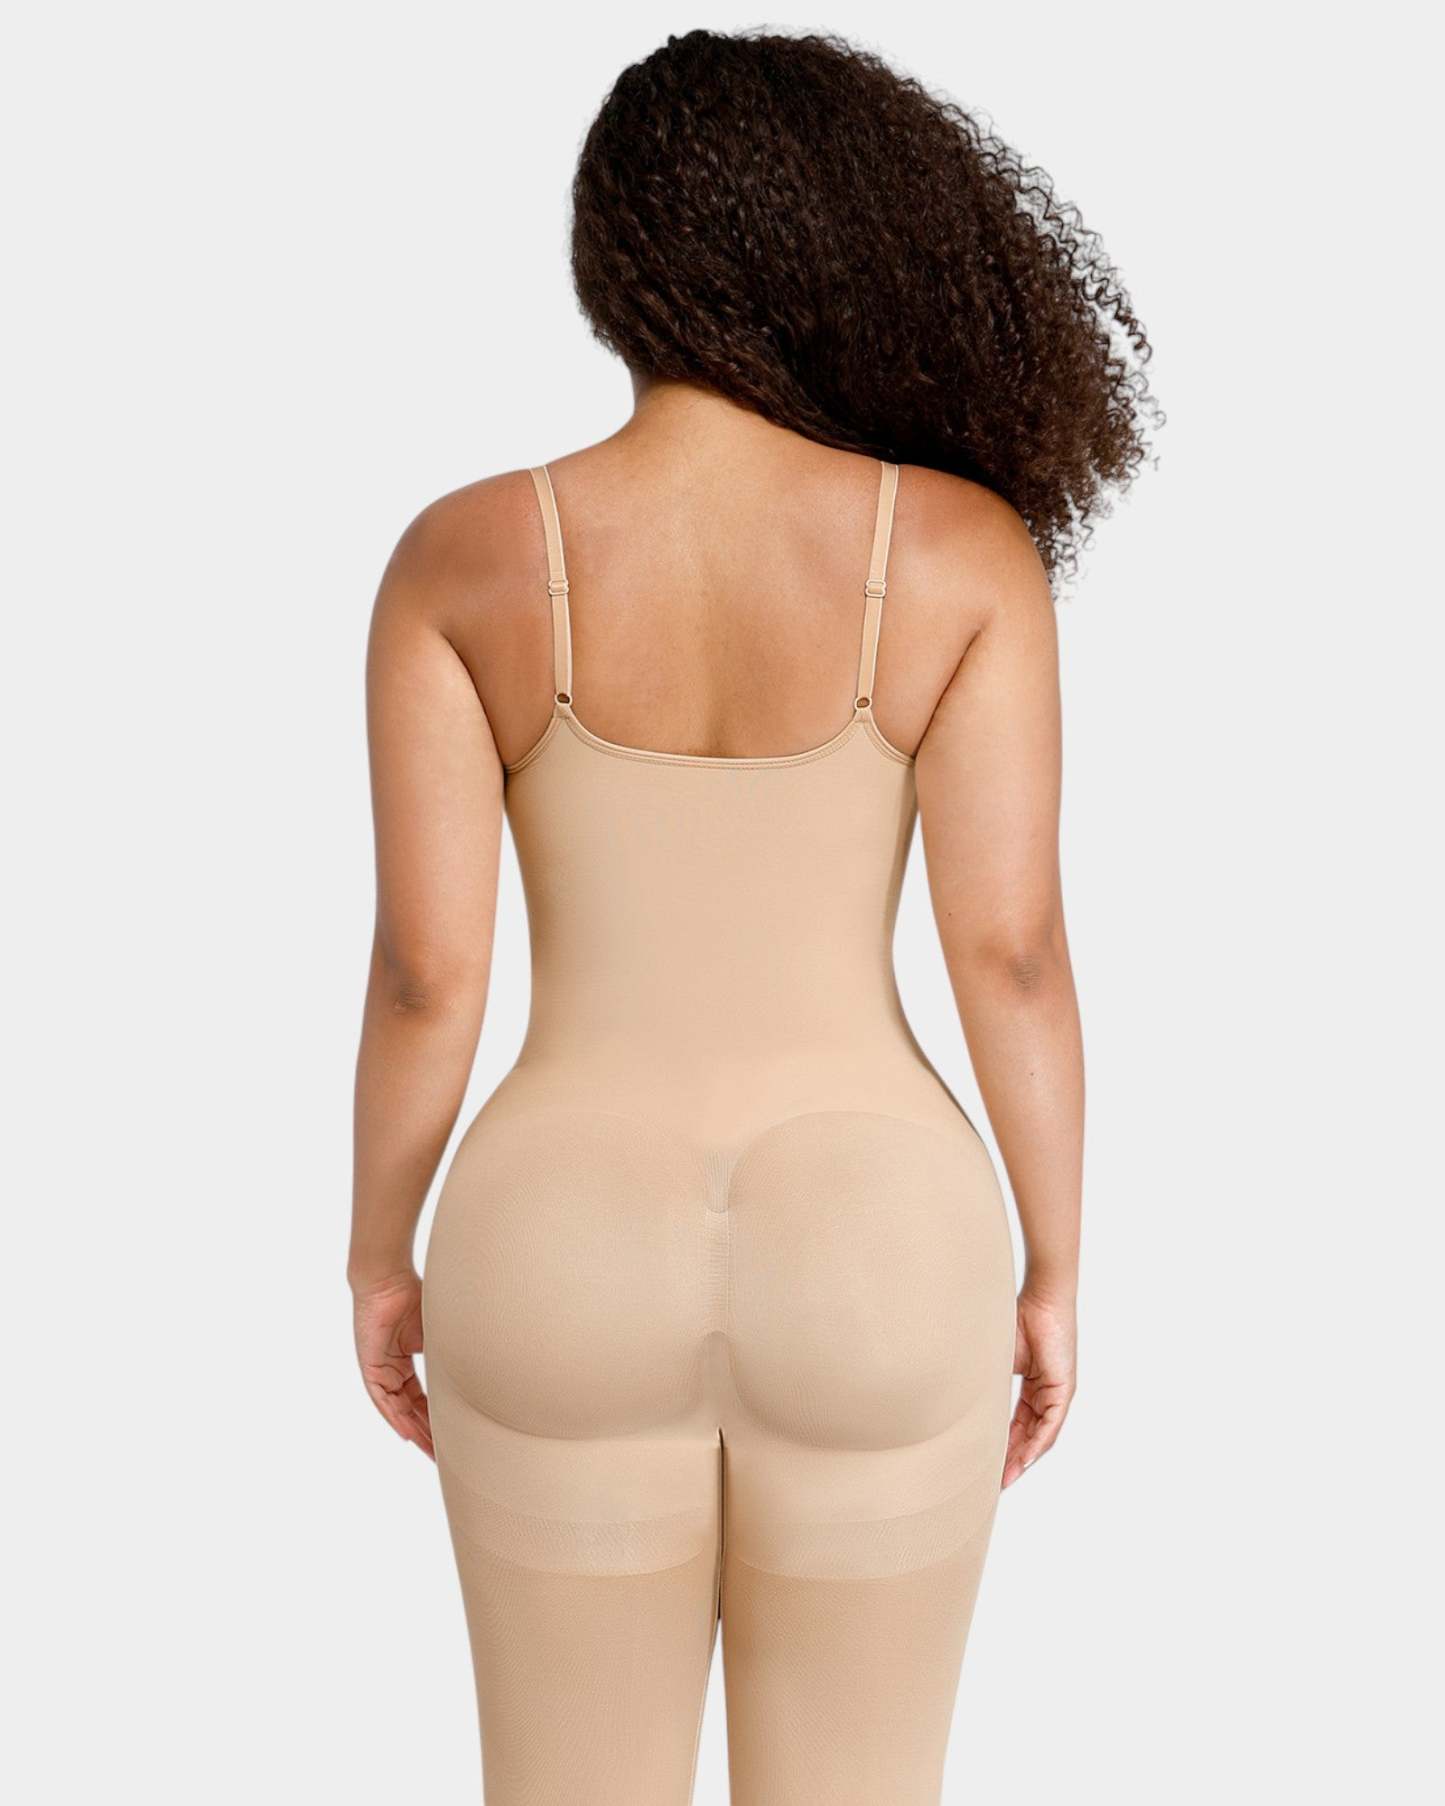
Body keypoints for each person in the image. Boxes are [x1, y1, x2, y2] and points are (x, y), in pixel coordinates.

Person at [350, 28, 1154, 1805]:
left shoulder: (464, 559)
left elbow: (426, 975)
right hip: (877, 1237)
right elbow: (1010, 952)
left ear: (615, 263)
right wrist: (1053, 1266)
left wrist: (378, 1253)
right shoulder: (953, 555)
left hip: (555, 1231)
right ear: (837, 248)